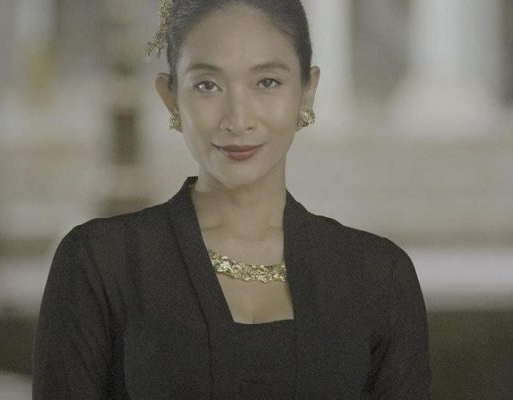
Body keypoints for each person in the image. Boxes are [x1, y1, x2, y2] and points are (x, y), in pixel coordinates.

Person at [32, 0, 431, 399]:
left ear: (307, 92)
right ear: (170, 96)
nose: (238, 120)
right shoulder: (101, 263)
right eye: (207, 85)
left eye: (267, 82)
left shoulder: (379, 277)